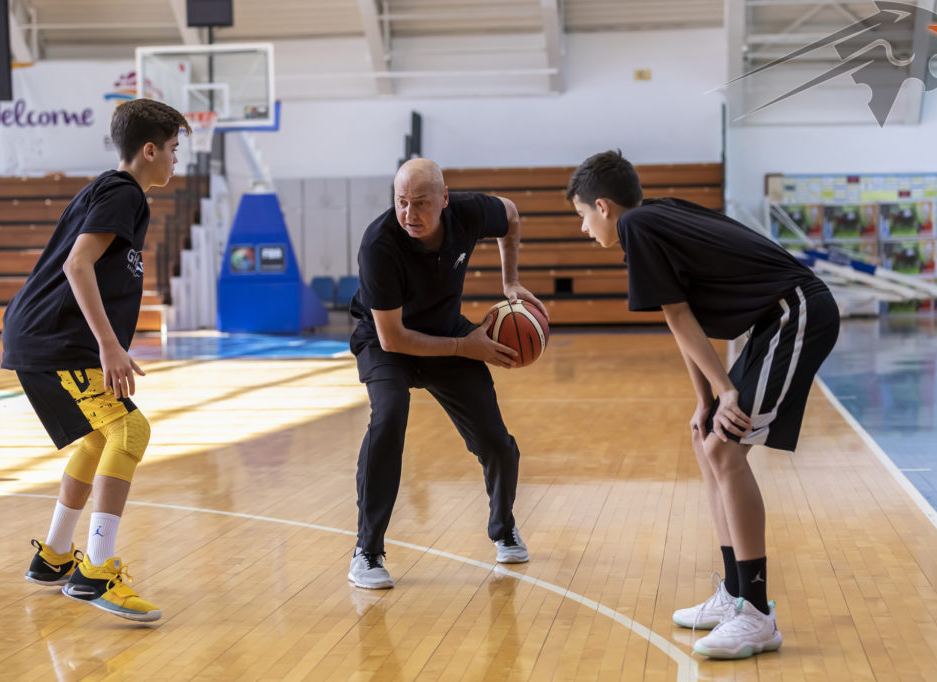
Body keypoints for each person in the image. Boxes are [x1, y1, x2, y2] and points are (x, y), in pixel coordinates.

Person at [567, 150, 839, 659]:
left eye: (582, 216)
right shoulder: (653, 218)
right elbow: (682, 315)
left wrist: (726, 390)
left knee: (726, 451)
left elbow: (674, 312)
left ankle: (756, 614)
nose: (585, 228)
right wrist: (706, 398)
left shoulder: (638, 229)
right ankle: (735, 594)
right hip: (775, 320)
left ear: (603, 206)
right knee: (707, 441)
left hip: (797, 311)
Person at [3, 99, 190, 622]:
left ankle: (56, 557)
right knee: (130, 433)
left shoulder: (112, 190)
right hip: (56, 340)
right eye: (173, 150)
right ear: (148, 149)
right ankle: (96, 572)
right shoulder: (124, 192)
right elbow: (77, 264)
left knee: (98, 437)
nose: (176, 160)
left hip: (42, 337)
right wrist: (110, 345)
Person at [347, 158, 548, 589]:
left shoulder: (469, 214)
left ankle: (504, 526)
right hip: (387, 342)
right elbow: (393, 339)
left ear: (444, 199)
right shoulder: (378, 245)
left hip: (443, 329)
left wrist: (510, 280)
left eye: (420, 203)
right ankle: (367, 550)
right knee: (389, 418)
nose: (409, 214)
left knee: (496, 441)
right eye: (401, 202)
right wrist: (466, 347)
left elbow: (510, 214)